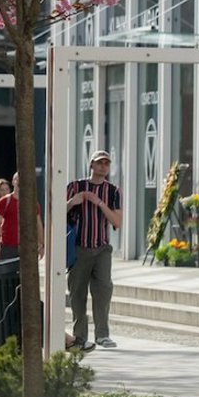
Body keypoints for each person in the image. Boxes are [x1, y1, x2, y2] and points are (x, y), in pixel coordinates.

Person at [67, 149, 122, 350]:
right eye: (99, 162)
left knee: (103, 291)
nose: (103, 166)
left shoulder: (113, 191)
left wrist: (99, 203)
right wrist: (73, 201)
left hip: (102, 248)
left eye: (106, 163)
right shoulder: (75, 186)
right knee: (77, 293)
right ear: (91, 164)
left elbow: (117, 221)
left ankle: (102, 335)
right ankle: (79, 336)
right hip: (79, 247)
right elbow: (56, 212)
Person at [0, 172, 44, 261]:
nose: (20, 182)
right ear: (13, 182)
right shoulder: (4, 201)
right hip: (8, 247)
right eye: (17, 180)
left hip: (28, 247)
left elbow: (38, 224)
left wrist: (41, 244)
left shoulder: (32, 202)